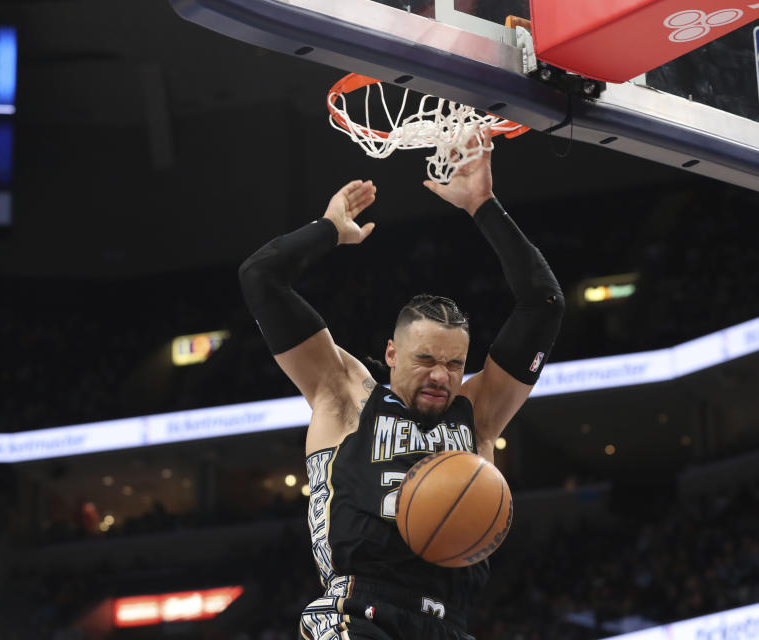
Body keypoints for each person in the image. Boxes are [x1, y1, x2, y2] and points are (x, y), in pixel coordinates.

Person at [238, 140, 564, 640]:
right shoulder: (344, 393)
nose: (441, 376)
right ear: (392, 354)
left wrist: (483, 206)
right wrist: (327, 231)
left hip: (449, 626)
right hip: (358, 614)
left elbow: (544, 304)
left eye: (455, 364)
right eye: (426, 360)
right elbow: (261, 278)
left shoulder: (477, 412)